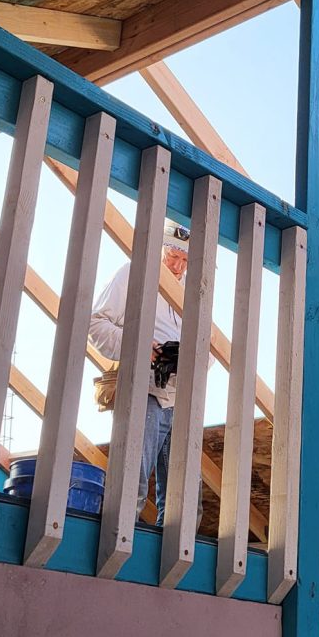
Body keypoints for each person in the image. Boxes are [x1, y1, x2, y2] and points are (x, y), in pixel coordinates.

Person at [88, 220, 193, 526]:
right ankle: (116, 553)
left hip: (181, 398)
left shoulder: (192, 291)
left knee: (183, 500)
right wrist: (141, 344)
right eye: (172, 256)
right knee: (131, 483)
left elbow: (210, 346)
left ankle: (167, 567)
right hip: (143, 391)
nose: (177, 266)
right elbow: (95, 324)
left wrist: (183, 356)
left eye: (185, 260)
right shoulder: (133, 273)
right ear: (160, 247)